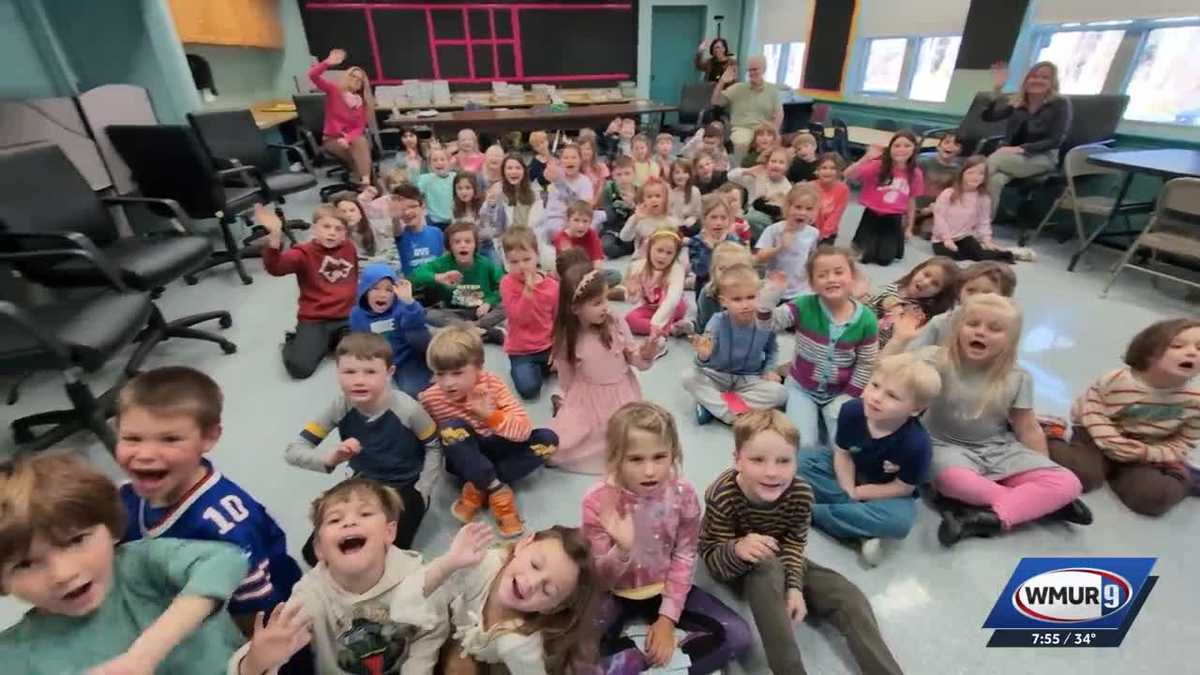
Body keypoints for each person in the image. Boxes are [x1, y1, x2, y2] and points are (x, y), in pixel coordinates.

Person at [0, 453, 269, 674]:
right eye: (24, 565)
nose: (62, 574)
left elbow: (226, 560)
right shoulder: (13, 657)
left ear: (112, 529)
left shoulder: (141, 564)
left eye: (75, 540)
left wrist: (144, 655)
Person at [698, 411, 904, 675]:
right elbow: (713, 559)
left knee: (846, 595)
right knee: (767, 564)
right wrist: (737, 548)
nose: (772, 472)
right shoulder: (722, 494)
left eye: (783, 461)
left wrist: (794, 587)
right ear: (738, 460)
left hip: (780, 558)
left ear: (796, 463)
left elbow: (794, 543)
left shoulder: (801, 493)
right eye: (757, 460)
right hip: (736, 563)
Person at [229, 479, 494, 675]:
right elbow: (256, 658)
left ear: (389, 534)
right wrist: (254, 664)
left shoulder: (418, 577)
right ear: (319, 549)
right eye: (334, 520)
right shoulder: (310, 596)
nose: (349, 523)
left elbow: (431, 632)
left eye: (365, 514)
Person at [114, 367, 302, 633]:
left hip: (263, 624)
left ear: (209, 437)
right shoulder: (127, 493)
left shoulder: (226, 529)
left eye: (169, 439)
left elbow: (256, 614)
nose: (144, 454)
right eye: (131, 438)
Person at [907, 294, 1091, 546]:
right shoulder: (935, 360)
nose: (981, 333)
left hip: (999, 448)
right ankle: (1036, 505)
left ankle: (988, 518)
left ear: (1010, 340)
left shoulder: (1018, 377)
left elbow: (1027, 427)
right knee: (953, 481)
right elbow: (894, 371)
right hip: (944, 446)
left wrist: (1040, 465)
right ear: (958, 327)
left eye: (995, 329)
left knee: (1069, 483)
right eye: (973, 324)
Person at [583, 402, 751, 674]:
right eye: (636, 459)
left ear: (673, 454)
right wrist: (623, 549)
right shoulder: (597, 501)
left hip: (664, 588)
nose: (650, 471)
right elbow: (600, 577)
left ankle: (660, 665)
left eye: (659, 457)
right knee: (573, 655)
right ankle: (637, 658)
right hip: (613, 592)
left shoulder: (683, 494)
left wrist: (667, 619)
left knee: (739, 636)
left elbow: (685, 554)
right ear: (616, 458)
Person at [286, 332, 440, 561]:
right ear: (337, 373)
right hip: (362, 482)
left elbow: (434, 447)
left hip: (405, 485)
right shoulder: (339, 406)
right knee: (315, 553)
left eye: (370, 372)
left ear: (389, 374)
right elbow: (293, 451)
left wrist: (424, 488)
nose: (358, 380)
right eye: (349, 372)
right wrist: (330, 459)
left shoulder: (408, 409)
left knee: (388, 555)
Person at [798, 353, 942, 566]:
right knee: (798, 459)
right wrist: (849, 490)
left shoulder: (917, 445)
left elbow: (902, 488)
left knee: (900, 522)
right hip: (849, 472)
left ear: (914, 409)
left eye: (892, 396)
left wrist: (860, 493)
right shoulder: (852, 410)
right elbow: (842, 454)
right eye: (875, 385)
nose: (876, 397)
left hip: (885, 491)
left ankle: (805, 511)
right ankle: (857, 527)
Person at [1049, 318, 1200, 516]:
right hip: (1096, 436)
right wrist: (1113, 443)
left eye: (1199, 348)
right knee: (1080, 476)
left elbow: (1184, 442)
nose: (1192, 352)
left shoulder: (1195, 402)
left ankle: (1185, 476)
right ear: (1149, 352)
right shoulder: (1117, 380)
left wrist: (1146, 453)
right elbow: (1090, 410)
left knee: (1153, 498)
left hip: (1144, 449)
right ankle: (1051, 433)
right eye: (1177, 346)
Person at [401, 525, 600, 674]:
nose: (531, 583)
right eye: (535, 564)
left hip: (496, 658)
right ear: (523, 544)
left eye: (547, 590)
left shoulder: (521, 644)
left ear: (552, 608)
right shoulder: (480, 567)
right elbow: (410, 597)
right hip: (454, 628)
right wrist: (450, 562)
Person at [419, 325, 558, 537]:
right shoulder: (429, 398)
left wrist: (489, 416)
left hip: (498, 443)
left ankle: (478, 486)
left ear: (479, 368)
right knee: (450, 429)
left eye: (457, 373)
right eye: (440, 374)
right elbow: (429, 441)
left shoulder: (493, 384)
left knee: (547, 440)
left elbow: (523, 430)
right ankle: (496, 489)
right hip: (466, 455)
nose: (448, 383)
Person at [759, 246, 879, 449]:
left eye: (839, 272)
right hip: (802, 388)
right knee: (804, 443)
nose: (831, 279)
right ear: (812, 284)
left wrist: (849, 396)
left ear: (852, 277)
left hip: (841, 392)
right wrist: (770, 297)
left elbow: (866, 363)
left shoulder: (867, 319)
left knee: (843, 446)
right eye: (822, 275)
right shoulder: (804, 305)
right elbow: (769, 324)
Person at [548, 263, 658, 474]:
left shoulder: (615, 322)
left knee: (635, 444)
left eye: (606, 299)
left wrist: (646, 354)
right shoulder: (567, 340)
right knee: (558, 451)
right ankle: (560, 406)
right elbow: (567, 380)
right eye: (597, 303)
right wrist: (571, 404)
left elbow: (636, 360)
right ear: (575, 308)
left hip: (622, 397)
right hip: (588, 400)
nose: (606, 306)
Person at [258, 203, 357, 379]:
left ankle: (329, 342)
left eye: (338, 229)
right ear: (314, 229)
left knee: (357, 360)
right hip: (316, 319)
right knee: (300, 369)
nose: (332, 232)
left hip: (346, 317)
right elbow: (276, 268)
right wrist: (275, 236)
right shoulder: (303, 253)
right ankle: (293, 341)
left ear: (344, 235)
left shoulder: (349, 248)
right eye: (326, 227)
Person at [684, 263, 786, 426]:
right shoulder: (717, 321)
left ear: (759, 296)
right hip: (718, 374)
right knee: (689, 377)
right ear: (724, 301)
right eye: (737, 299)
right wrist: (703, 356)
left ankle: (714, 406)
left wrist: (769, 370)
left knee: (779, 392)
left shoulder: (765, 321)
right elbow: (700, 361)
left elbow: (772, 349)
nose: (745, 305)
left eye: (751, 297)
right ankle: (733, 415)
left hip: (749, 378)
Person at [983, 61, 1072, 216]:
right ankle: (981, 225)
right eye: (1034, 76)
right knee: (995, 180)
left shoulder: (1060, 104)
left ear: (1052, 82)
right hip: (1011, 157)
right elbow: (989, 117)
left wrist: (1019, 149)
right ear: (1026, 80)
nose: (1038, 80)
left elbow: (1056, 140)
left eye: (1044, 77)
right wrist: (997, 89)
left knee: (992, 161)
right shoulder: (1018, 102)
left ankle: (955, 203)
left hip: (1042, 157)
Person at [882, 260, 1017, 357]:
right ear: (960, 291)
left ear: (1004, 299)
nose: (976, 299)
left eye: (987, 293)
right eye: (971, 291)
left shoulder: (1005, 330)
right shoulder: (941, 322)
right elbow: (912, 355)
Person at [409, 221, 506, 344]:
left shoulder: (486, 264)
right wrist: (439, 277)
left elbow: (502, 286)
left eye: (468, 241)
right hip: (455, 313)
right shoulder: (442, 263)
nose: (463, 245)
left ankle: (470, 329)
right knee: (429, 315)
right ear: (450, 246)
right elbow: (416, 276)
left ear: (475, 245)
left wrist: (489, 302)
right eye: (457, 242)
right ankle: (480, 332)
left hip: (482, 313)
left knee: (507, 306)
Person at [349, 264, 432, 397]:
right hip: (377, 359)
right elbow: (357, 342)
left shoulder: (401, 307)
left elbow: (418, 323)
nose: (382, 294)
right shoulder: (357, 314)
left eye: (389, 290)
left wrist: (409, 302)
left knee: (413, 390)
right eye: (375, 288)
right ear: (364, 291)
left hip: (407, 357)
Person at [932, 155, 1035, 262]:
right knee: (953, 256)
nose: (975, 177)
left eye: (980, 174)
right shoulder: (948, 193)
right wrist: (947, 239)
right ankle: (1005, 253)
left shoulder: (983, 197)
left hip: (964, 237)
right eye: (970, 173)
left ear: (985, 177)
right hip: (942, 239)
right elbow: (940, 218)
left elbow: (983, 221)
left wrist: (987, 240)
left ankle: (1010, 253)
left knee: (980, 255)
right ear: (962, 174)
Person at [845, 131, 924, 266]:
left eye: (907, 146)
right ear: (890, 149)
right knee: (864, 257)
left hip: (893, 217)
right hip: (872, 214)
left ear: (914, 149)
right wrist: (866, 158)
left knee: (884, 260)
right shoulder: (878, 166)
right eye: (897, 146)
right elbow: (848, 174)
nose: (901, 150)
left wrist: (909, 227)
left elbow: (911, 201)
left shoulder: (916, 174)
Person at [501, 227, 560, 400]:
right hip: (522, 350)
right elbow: (519, 318)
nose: (521, 266)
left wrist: (558, 350)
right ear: (506, 262)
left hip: (548, 346)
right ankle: (524, 369)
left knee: (581, 369)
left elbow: (558, 320)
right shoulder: (507, 284)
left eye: (527, 259)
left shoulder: (552, 286)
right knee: (529, 390)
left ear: (537, 256)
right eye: (514, 262)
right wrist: (527, 292)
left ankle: (544, 368)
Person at [865, 255, 959, 350]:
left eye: (935, 284)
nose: (926, 283)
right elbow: (887, 299)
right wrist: (895, 306)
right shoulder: (895, 288)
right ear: (917, 270)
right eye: (926, 274)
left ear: (939, 293)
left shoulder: (920, 312)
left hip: (879, 347)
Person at [308, 48, 373, 186]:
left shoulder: (361, 102)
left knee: (359, 144)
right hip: (332, 139)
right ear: (346, 76)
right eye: (353, 76)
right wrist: (327, 63)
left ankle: (363, 181)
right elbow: (313, 76)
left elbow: (359, 127)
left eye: (359, 80)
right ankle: (366, 183)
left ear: (362, 85)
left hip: (350, 139)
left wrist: (347, 138)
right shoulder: (334, 90)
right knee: (360, 152)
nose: (355, 80)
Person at [753, 183, 821, 302]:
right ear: (788, 207)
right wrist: (779, 247)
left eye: (809, 209)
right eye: (798, 207)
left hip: (801, 291)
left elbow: (810, 256)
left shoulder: (813, 233)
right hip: (774, 288)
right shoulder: (774, 230)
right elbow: (760, 258)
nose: (803, 212)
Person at [623, 227, 689, 341]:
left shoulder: (677, 269)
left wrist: (656, 323)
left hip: (673, 307)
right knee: (629, 319)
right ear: (649, 249)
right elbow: (633, 301)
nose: (663, 256)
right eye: (659, 250)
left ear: (675, 255)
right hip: (650, 307)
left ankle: (664, 326)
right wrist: (631, 292)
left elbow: (672, 300)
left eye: (669, 253)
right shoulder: (638, 267)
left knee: (671, 304)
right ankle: (672, 328)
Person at [711, 55, 782, 157]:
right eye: (749, 70)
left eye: (755, 69)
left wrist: (775, 131)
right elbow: (715, 101)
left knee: (777, 143)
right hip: (743, 128)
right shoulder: (738, 88)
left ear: (764, 69)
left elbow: (779, 113)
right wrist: (722, 81)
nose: (751, 73)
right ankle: (742, 170)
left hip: (764, 129)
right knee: (742, 141)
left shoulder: (773, 90)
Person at [555, 200, 622, 287]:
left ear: (590, 222)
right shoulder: (561, 237)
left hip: (590, 274)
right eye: (576, 220)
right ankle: (597, 292)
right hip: (571, 275)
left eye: (585, 221)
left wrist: (591, 276)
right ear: (568, 221)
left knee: (615, 275)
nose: (581, 225)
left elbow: (597, 263)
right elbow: (565, 268)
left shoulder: (591, 234)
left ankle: (591, 291)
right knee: (557, 281)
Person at [687, 193, 741, 296]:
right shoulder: (696, 242)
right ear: (704, 219)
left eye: (723, 218)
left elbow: (739, 268)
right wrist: (709, 248)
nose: (719, 222)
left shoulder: (733, 240)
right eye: (714, 217)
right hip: (706, 294)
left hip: (732, 292)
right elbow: (700, 270)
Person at [542, 144, 597, 244]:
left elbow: (585, 207)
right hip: (556, 220)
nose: (569, 160)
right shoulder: (557, 177)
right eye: (566, 158)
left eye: (573, 157)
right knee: (550, 228)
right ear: (561, 161)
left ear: (580, 161)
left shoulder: (585, 181)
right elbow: (547, 174)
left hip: (577, 220)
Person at [616, 177, 679, 262]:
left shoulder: (671, 221)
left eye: (658, 196)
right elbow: (624, 237)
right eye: (649, 197)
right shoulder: (638, 219)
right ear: (643, 200)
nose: (653, 200)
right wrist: (635, 220)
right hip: (642, 260)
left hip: (664, 261)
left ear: (665, 199)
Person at [695, 240, 753, 331]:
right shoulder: (708, 294)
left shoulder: (752, 291)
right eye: (722, 269)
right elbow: (708, 328)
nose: (727, 274)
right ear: (714, 270)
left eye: (734, 269)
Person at [390, 182, 446, 276]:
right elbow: (396, 232)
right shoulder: (397, 236)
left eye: (413, 206)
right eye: (403, 209)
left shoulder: (436, 233)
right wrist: (395, 217)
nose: (408, 212)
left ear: (422, 205)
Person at [915, 133, 963, 239]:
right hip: (913, 206)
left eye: (955, 144)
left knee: (928, 234)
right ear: (938, 146)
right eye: (947, 142)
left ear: (959, 150)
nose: (950, 146)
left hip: (934, 211)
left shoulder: (958, 171)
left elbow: (953, 196)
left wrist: (935, 208)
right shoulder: (922, 162)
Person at [331, 190, 396, 266]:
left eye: (352, 210)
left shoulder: (374, 228)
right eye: (343, 212)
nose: (348, 215)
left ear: (360, 213)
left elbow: (386, 253)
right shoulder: (334, 235)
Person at [729, 146, 792, 223]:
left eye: (781, 162)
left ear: (787, 167)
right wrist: (748, 171)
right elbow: (731, 176)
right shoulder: (757, 177)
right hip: (752, 214)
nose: (776, 165)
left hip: (772, 217)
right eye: (773, 161)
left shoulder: (787, 187)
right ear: (767, 163)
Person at [601, 155, 640, 259]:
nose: (623, 178)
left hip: (632, 230)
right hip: (614, 228)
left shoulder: (639, 191)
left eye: (627, 174)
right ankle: (625, 250)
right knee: (606, 247)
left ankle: (628, 248)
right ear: (613, 175)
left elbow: (643, 215)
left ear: (634, 174)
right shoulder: (609, 190)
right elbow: (607, 215)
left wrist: (633, 205)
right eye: (619, 174)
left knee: (635, 241)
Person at [812, 152, 850, 247]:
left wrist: (824, 233)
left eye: (833, 168)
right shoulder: (810, 187)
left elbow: (837, 213)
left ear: (839, 171)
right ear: (817, 170)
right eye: (824, 168)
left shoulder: (843, 189)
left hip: (829, 232)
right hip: (810, 228)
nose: (827, 171)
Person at [416, 145, 456, 228]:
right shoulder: (425, 179)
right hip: (434, 221)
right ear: (430, 165)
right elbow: (415, 192)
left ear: (449, 162)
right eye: (434, 160)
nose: (439, 162)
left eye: (442, 159)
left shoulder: (455, 177)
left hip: (454, 220)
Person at [667, 159, 703, 233]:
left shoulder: (695, 191)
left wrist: (691, 219)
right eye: (677, 173)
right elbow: (668, 213)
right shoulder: (670, 192)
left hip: (689, 226)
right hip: (673, 225)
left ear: (689, 175)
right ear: (672, 175)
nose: (681, 176)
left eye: (685, 173)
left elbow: (697, 213)